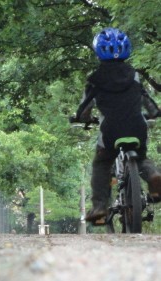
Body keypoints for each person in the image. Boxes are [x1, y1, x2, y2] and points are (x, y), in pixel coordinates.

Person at [70, 27, 161, 225]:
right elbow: (149, 103)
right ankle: (154, 176)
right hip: (137, 125)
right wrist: (154, 113)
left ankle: (100, 207)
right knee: (143, 157)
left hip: (110, 129)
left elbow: (85, 108)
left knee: (101, 164)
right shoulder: (134, 75)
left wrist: (80, 118)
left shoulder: (95, 79)